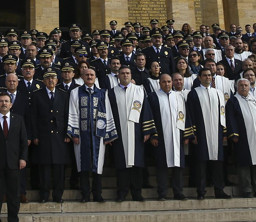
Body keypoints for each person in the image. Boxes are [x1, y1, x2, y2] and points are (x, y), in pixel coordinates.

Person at [67, 67, 118, 203]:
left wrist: (108, 134)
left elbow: (108, 113)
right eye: (87, 75)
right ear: (82, 76)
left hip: (98, 135)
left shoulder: (102, 93)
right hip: (81, 135)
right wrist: (74, 133)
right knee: (83, 165)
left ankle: (97, 194)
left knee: (98, 166)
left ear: (95, 77)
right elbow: (72, 112)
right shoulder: (75, 92)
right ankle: (85, 194)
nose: (89, 77)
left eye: (92, 75)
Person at [108, 66, 154, 202]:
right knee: (121, 164)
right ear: (118, 76)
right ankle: (121, 192)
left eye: (128, 73)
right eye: (122, 73)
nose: (125, 75)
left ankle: (137, 192)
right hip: (119, 133)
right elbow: (108, 114)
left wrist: (147, 130)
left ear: (131, 75)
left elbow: (146, 110)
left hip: (136, 132)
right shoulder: (111, 93)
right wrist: (109, 133)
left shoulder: (139, 90)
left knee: (137, 164)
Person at [185, 68, 231, 200]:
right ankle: (201, 191)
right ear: (199, 77)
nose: (207, 78)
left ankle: (219, 190)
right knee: (201, 163)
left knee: (218, 163)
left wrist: (223, 132)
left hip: (216, 133)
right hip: (201, 132)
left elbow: (223, 114)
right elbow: (191, 115)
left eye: (209, 75)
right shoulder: (194, 94)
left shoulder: (218, 93)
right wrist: (193, 133)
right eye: (204, 75)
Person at [0, 92, 29, 222]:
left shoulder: (18, 119)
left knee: (14, 194)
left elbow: (23, 141)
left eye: (6, 101)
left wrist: (23, 158)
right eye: (1, 101)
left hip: (14, 162)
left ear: (11, 104)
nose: (4, 103)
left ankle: (13, 218)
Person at [29, 69, 71, 203]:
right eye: (48, 78)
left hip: (60, 137)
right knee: (44, 168)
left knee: (59, 169)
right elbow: (33, 117)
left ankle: (58, 195)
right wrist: (35, 135)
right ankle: (44, 195)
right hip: (44, 136)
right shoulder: (37, 95)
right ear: (44, 81)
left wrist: (67, 133)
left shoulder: (64, 95)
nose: (51, 80)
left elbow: (67, 116)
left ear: (57, 80)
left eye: (53, 78)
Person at [226, 78, 256, 198]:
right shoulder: (233, 101)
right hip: (242, 137)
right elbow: (230, 119)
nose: (243, 87)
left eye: (246, 85)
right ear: (237, 87)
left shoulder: (255, 100)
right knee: (244, 164)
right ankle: (246, 189)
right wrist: (234, 133)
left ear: (250, 86)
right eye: (241, 85)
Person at [147, 73, 188, 200]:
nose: (167, 84)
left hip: (176, 136)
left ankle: (178, 192)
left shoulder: (178, 97)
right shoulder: (153, 97)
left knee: (178, 166)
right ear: (159, 83)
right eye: (164, 82)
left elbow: (184, 116)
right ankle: (162, 193)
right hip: (161, 137)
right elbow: (150, 116)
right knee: (162, 166)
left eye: (169, 81)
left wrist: (185, 134)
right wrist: (153, 135)